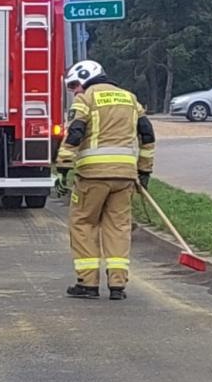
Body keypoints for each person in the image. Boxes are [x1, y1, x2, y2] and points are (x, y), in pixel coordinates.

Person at [55, 60, 155, 300]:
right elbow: (148, 135)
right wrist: (144, 171)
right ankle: (117, 284)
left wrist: (63, 167)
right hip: (124, 177)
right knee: (118, 227)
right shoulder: (131, 99)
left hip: (92, 176)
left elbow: (75, 133)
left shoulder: (86, 99)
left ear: (86, 77)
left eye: (75, 85)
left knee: (83, 224)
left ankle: (87, 283)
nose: (75, 91)